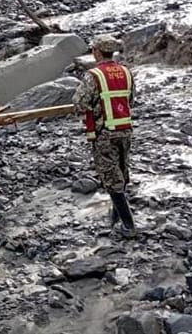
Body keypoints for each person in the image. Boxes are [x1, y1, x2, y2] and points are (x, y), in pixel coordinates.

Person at [72, 34, 137, 239]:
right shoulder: (126, 72)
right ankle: (115, 218)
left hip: (105, 133)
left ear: (97, 52)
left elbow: (80, 104)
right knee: (122, 171)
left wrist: (95, 111)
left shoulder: (94, 75)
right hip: (125, 129)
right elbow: (131, 100)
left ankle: (128, 225)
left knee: (110, 176)